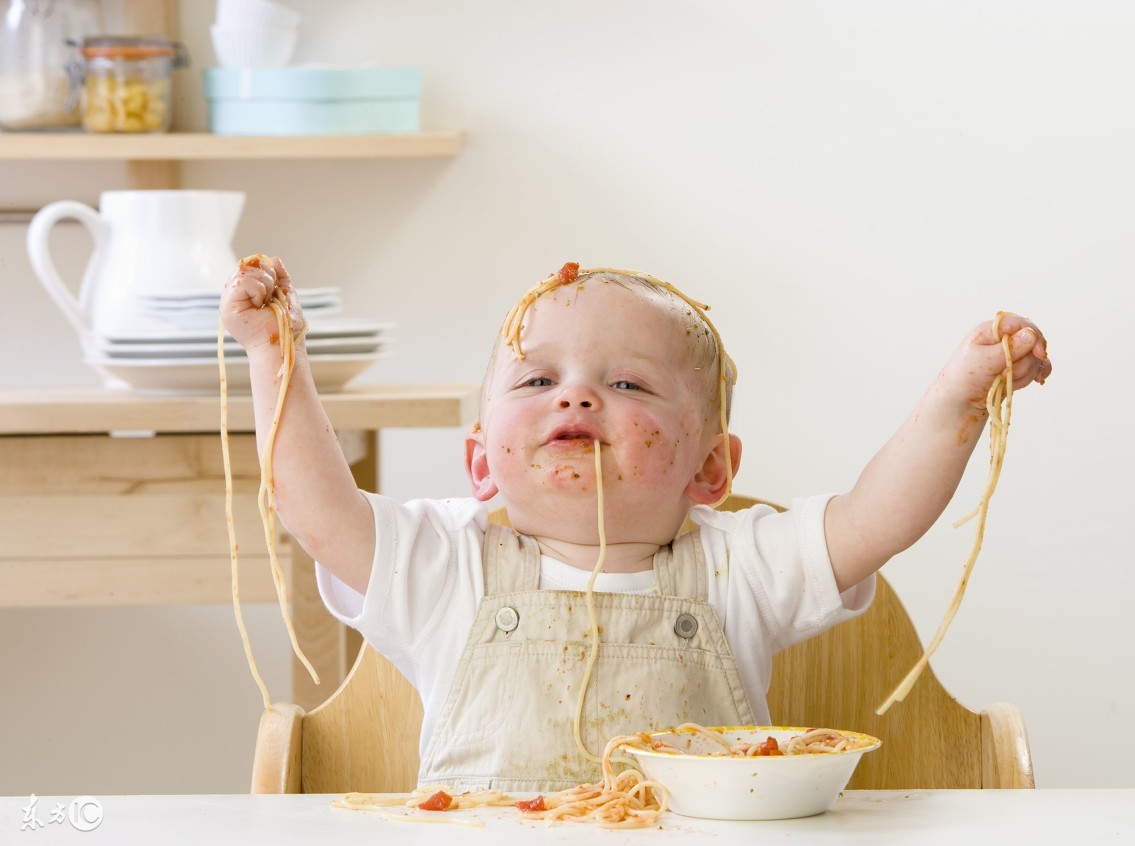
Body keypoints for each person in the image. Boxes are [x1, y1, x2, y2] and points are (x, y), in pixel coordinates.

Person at [220, 259, 1052, 793]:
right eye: (538, 377)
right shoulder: (449, 566)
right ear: (481, 464)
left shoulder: (740, 566)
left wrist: (958, 400)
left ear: (711, 471)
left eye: (629, 384)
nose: (575, 396)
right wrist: (276, 357)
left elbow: (878, 518)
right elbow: (315, 506)